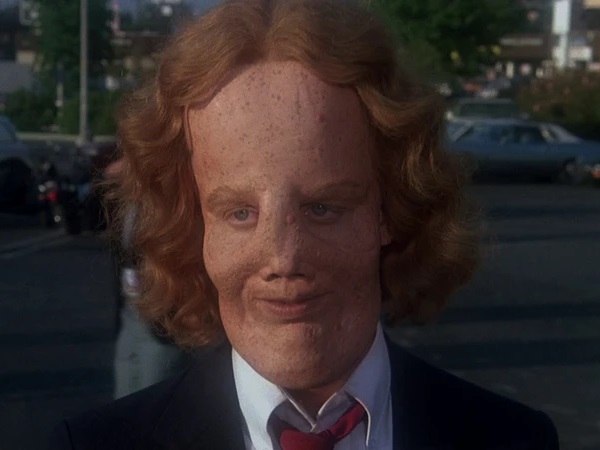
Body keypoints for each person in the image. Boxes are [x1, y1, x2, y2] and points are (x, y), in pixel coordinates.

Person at [49, 0, 559, 448]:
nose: (283, 258)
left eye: (323, 208)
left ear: (389, 209)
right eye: (240, 213)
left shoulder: (516, 440)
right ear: (194, 227)